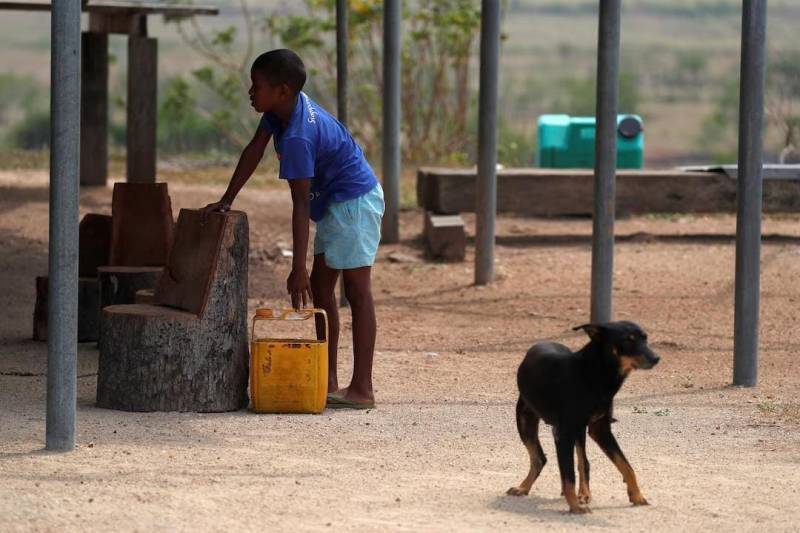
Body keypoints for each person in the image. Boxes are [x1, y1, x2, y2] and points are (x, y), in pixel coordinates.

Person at [202, 49, 384, 409]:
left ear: (282, 91)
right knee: (321, 288)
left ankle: (362, 388)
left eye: (256, 86)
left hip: (354, 203)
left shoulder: (299, 136)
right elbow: (254, 150)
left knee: (357, 291)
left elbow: (300, 205)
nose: (250, 93)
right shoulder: (279, 112)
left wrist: (296, 266)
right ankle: (327, 378)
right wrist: (227, 199)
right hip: (336, 204)